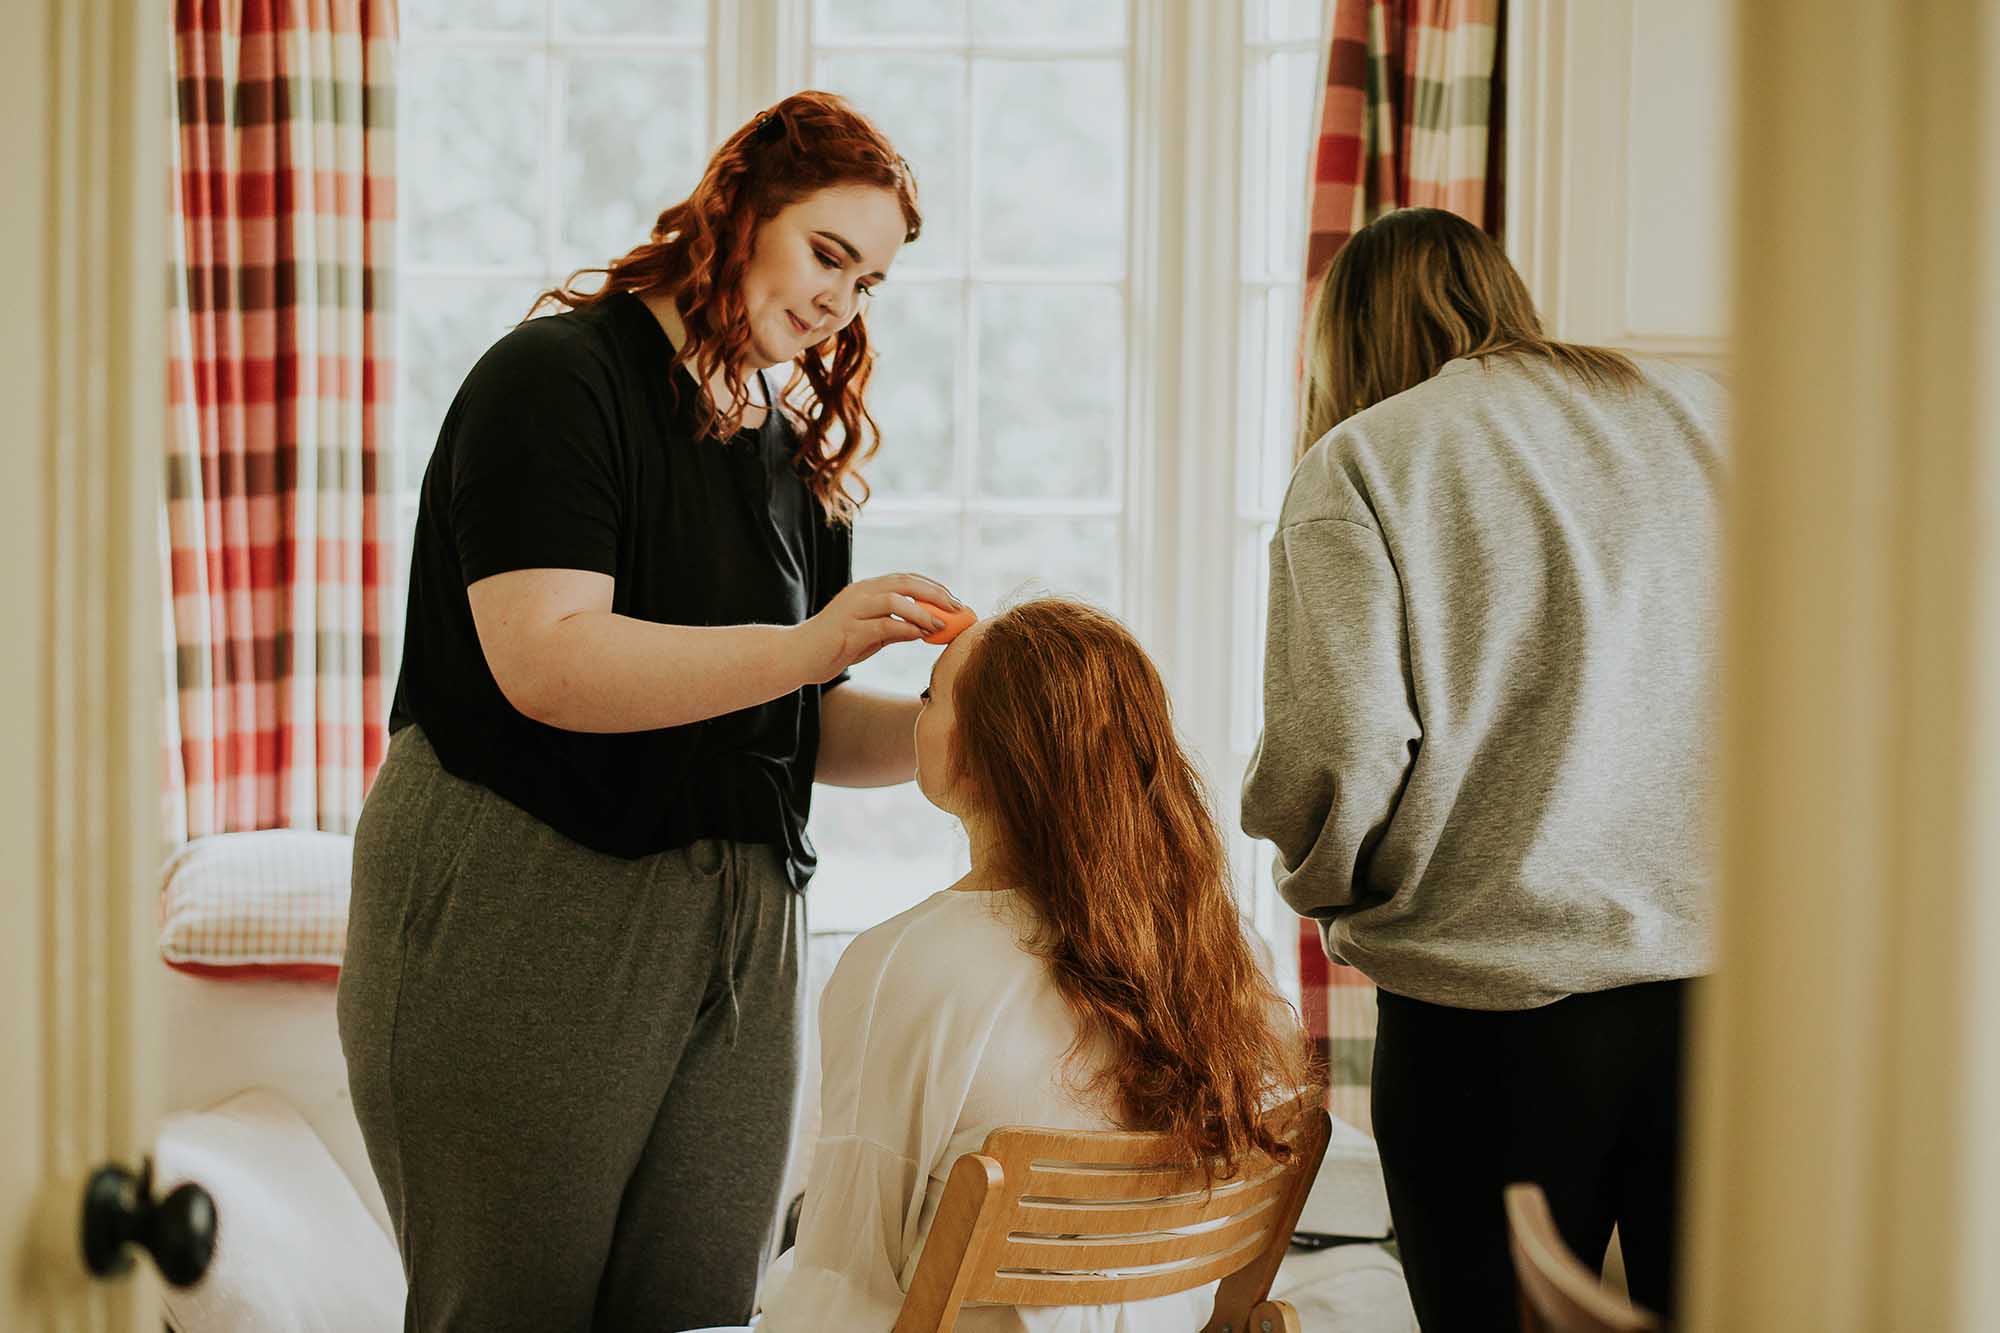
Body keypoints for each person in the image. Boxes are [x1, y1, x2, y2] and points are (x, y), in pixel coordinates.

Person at [336, 91, 958, 1333]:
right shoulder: (556, 380)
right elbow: (550, 664)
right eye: (827, 254)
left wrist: (973, 733)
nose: (841, 300)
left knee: (702, 1313)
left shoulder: (793, 448)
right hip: (525, 890)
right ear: (735, 214)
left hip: (740, 928)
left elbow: (798, 717)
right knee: (509, 1308)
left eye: (870, 281)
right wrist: (805, 645)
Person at [1241, 207, 1725, 1329]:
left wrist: (1329, 885)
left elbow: (1338, 751)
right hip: (1732, 1001)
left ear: (1345, 344)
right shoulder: (1710, 420)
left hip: (1491, 1022)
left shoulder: (1363, 459)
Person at [743, 598, 1316, 1332]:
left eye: (930, 696)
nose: (917, 714)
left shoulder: (904, 967)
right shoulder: (1222, 948)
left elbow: (844, 1275)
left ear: (984, 756)